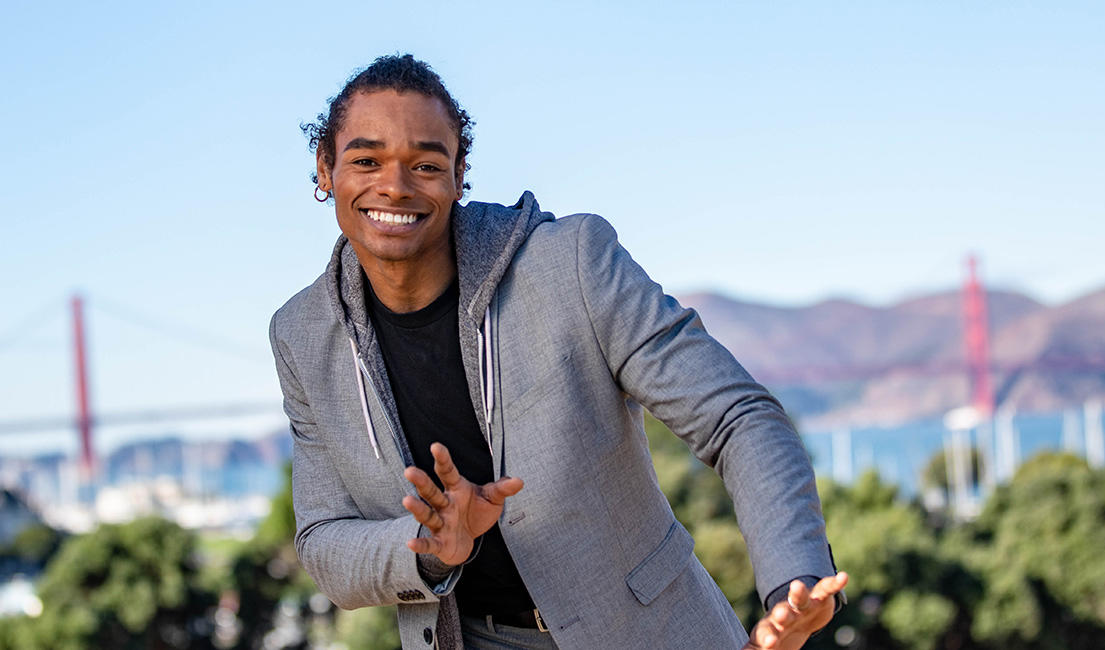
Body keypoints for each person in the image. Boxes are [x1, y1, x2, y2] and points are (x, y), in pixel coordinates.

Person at [269, 53, 847, 650]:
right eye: (366, 160)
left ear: (460, 173)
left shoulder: (571, 261)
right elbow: (323, 540)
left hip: (652, 632)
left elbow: (736, 417)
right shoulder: (302, 335)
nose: (395, 185)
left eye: (425, 163)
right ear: (325, 169)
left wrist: (793, 580)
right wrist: (430, 547)